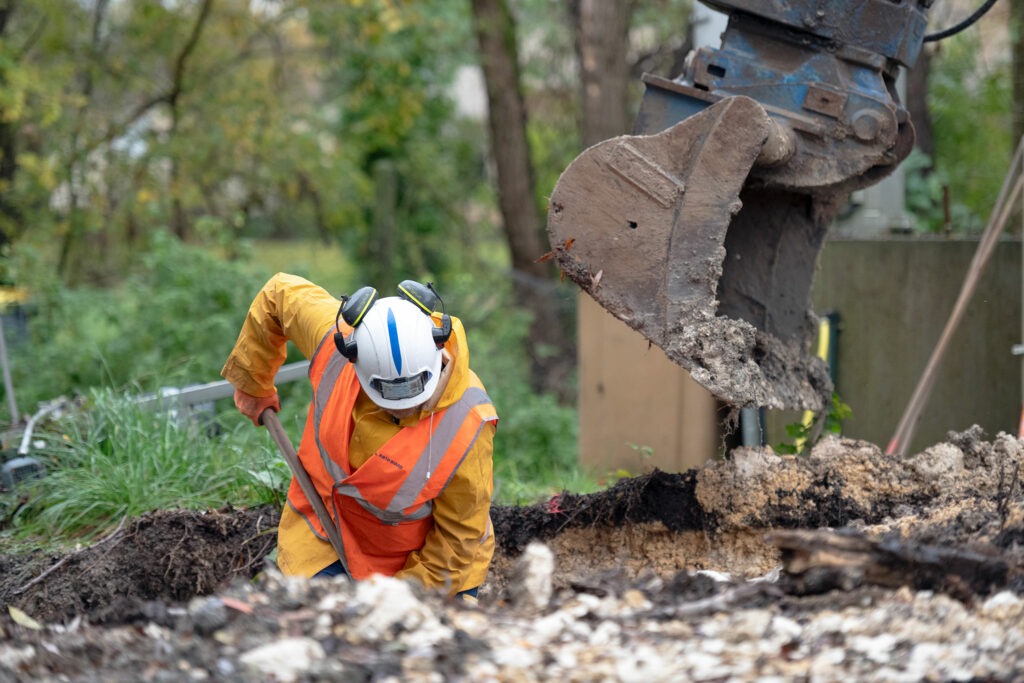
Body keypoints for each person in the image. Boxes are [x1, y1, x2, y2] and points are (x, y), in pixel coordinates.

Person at [221, 272, 498, 599]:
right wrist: (252, 380)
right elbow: (280, 294)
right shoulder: (337, 343)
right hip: (326, 534)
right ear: (354, 357)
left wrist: (395, 599)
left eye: (414, 398)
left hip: (423, 566)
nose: (402, 411)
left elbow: (457, 540)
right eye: (388, 399)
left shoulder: (466, 423)